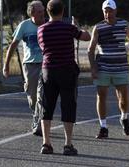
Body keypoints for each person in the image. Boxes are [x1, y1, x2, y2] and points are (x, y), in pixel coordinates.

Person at [37, 0, 90, 155]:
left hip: (48, 70)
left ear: (48, 11)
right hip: (67, 70)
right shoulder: (69, 28)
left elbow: (43, 48)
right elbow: (86, 37)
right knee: (68, 105)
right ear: (62, 11)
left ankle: (46, 143)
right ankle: (68, 144)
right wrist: (77, 26)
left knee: (47, 106)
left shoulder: (41, 30)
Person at [88, 0, 129, 139]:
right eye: (105, 11)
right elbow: (91, 50)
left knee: (123, 98)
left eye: (110, 10)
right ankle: (103, 127)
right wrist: (93, 68)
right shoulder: (98, 27)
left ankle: (124, 117)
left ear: (115, 11)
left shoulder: (124, 24)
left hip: (120, 66)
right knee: (101, 96)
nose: (107, 13)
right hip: (103, 67)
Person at [3, 0, 45, 136]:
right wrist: (6, 65)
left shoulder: (48, 24)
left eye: (43, 10)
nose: (43, 13)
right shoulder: (24, 26)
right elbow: (13, 45)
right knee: (32, 96)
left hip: (46, 65)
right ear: (32, 13)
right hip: (30, 65)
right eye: (39, 12)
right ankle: (35, 116)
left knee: (42, 95)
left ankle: (39, 123)